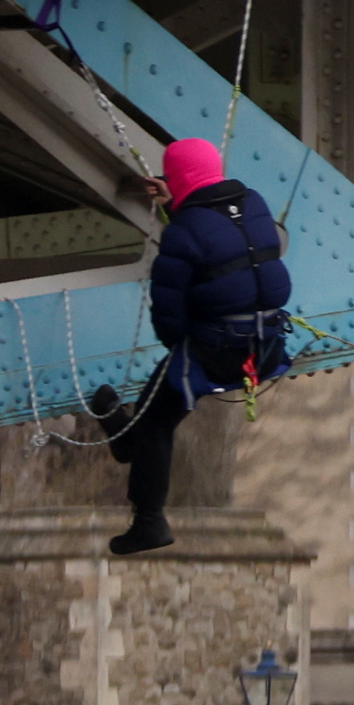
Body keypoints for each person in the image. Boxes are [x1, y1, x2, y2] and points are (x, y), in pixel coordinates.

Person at [98, 136, 292, 557]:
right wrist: (176, 206)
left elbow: (169, 310)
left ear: (179, 176)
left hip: (214, 350)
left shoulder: (183, 230)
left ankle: (148, 522)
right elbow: (219, 241)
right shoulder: (253, 202)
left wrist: (180, 347)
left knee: (154, 426)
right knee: (152, 420)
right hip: (263, 345)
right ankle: (119, 433)